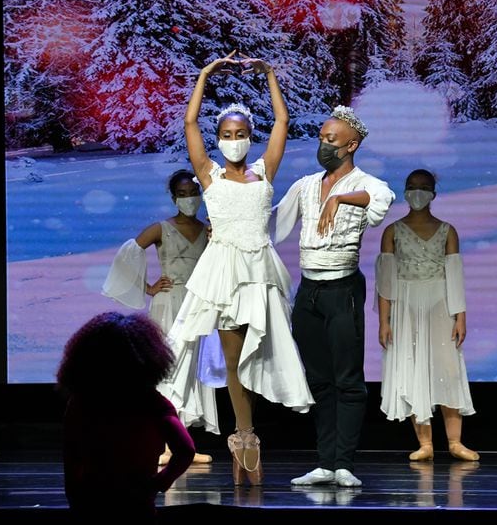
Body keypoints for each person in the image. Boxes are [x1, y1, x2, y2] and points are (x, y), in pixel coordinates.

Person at [168, 50, 314, 487]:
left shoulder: (264, 171)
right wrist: (205, 75)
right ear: (220, 138)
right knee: (233, 359)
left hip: (261, 270)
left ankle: (247, 435)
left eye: (241, 132)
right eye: (228, 133)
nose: (234, 138)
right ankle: (244, 436)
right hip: (225, 270)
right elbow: (191, 124)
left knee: (266, 349)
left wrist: (269, 74)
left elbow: (283, 123)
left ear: (250, 136)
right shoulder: (208, 174)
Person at [276, 106, 395, 487]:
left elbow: (382, 199)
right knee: (320, 379)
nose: (324, 145)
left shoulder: (365, 182)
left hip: (342, 289)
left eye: (332, 140)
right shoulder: (307, 185)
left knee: (347, 378)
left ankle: (343, 462)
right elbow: (274, 220)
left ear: (351, 145)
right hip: (309, 290)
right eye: (322, 138)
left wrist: (341, 199)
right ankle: (325, 462)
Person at [101, 169, 218, 465]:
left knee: (192, 370)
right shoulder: (161, 229)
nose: (189, 199)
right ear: (173, 197)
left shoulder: (207, 229)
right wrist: (148, 287)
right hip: (169, 303)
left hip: (198, 303)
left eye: (193, 193)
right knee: (169, 368)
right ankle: (166, 444)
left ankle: (183, 443)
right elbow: (126, 257)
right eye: (182, 194)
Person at [376, 169, 478, 462]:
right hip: (405, 304)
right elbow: (386, 281)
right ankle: (425, 443)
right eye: (412, 186)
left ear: (433, 193)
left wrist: (460, 316)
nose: (417, 191)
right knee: (411, 368)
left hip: (439, 302)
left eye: (423, 187)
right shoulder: (392, 231)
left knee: (447, 368)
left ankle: (455, 441)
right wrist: (384, 321)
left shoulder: (448, 230)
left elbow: (454, 275)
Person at [57, 311, 195, 522]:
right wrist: (158, 483)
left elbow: (72, 456)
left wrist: (75, 498)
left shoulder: (81, 402)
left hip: (91, 505)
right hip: (137, 507)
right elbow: (185, 450)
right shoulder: (152, 403)